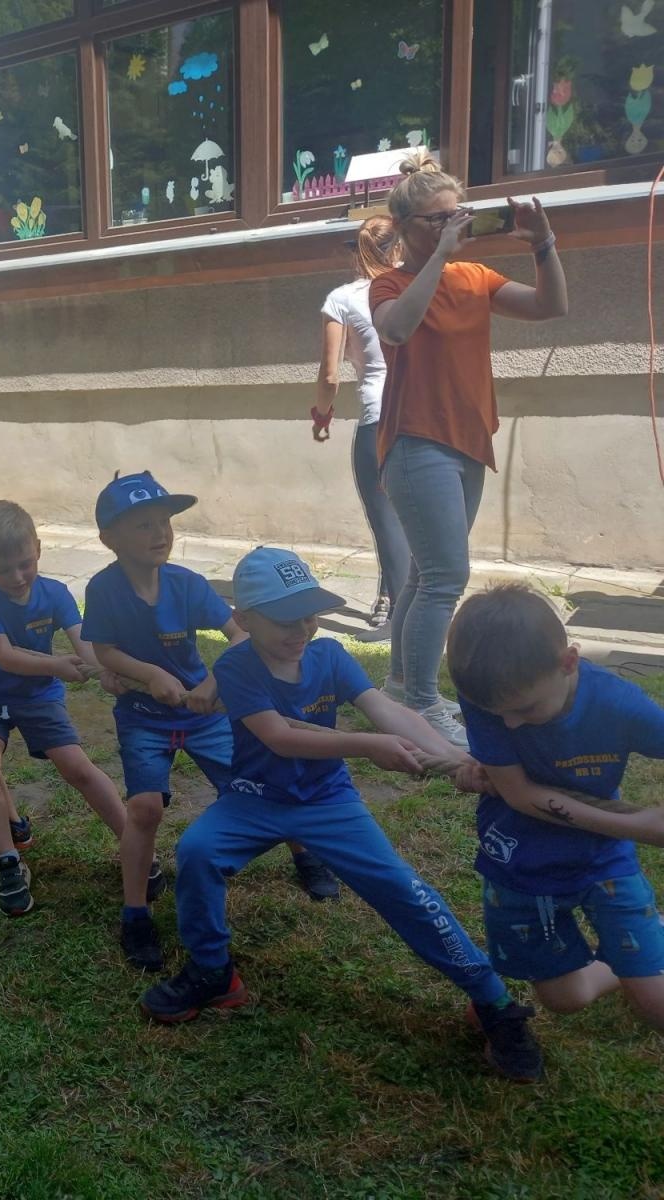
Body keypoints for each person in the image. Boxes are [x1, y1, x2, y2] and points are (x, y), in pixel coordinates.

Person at [140, 548, 545, 1083]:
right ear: (245, 620)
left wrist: (457, 757)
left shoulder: (330, 655)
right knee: (197, 851)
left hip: (328, 802)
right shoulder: (236, 667)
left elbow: (387, 710)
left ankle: (491, 999)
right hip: (254, 799)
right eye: (286, 619)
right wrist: (367, 746)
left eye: (309, 614)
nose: (302, 629)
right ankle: (213, 972)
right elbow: (280, 738)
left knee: (404, 889)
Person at [83, 473, 338, 970]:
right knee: (144, 810)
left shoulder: (187, 584)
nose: (160, 533)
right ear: (109, 538)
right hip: (143, 717)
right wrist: (148, 674)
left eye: (164, 521)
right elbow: (103, 650)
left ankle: (304, 852)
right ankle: (135, 913)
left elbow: (240, 636)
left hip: (202, 715)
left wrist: (215, 683)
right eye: (143, 525)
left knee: (265, 782)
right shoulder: (103, 588)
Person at [371, 151, 568, 746]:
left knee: (424, 575)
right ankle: (423, 704)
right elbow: (397, 328)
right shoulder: (389, 283)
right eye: (437, 219)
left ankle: (400, 687)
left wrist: (543, 244)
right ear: (403, 226)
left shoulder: (476, 277)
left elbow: (550, 307)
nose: (451, 226)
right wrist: (439, 257)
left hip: (468, 438)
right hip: (416, 441)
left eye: (457, 215)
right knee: (446, 576)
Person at [448, 585, 664, 1034]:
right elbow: (518, 794)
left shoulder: (618, 704)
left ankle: (643, 952)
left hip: (604, 861)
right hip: (522, 863)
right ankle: (640, 947)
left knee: (654, 1003)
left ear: (568, 662)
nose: (509, 724)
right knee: (568, 998)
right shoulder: (490, 689)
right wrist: (636, 826)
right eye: (497, 713)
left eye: (525, 709)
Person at [0, 500, 129, 918]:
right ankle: (8, 861)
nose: (18, 577)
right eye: (4, 570)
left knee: (77, 767)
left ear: (38, 548)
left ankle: (135, 844)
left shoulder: (55, 593)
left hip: (38, 697)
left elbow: (83, 643)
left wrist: (108, 670)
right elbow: (4, 657)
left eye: (25, 564)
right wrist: (56, 666)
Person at [313, 216, 410, 640]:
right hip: (424, 414)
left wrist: (321, 415)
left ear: (357, 252)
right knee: (416, 519)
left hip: (379, 417)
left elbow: (329, 375)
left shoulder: (342, 299)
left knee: (386, 518)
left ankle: (400, 620)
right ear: (399, 247)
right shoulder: (420, 286)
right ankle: (393, 599)